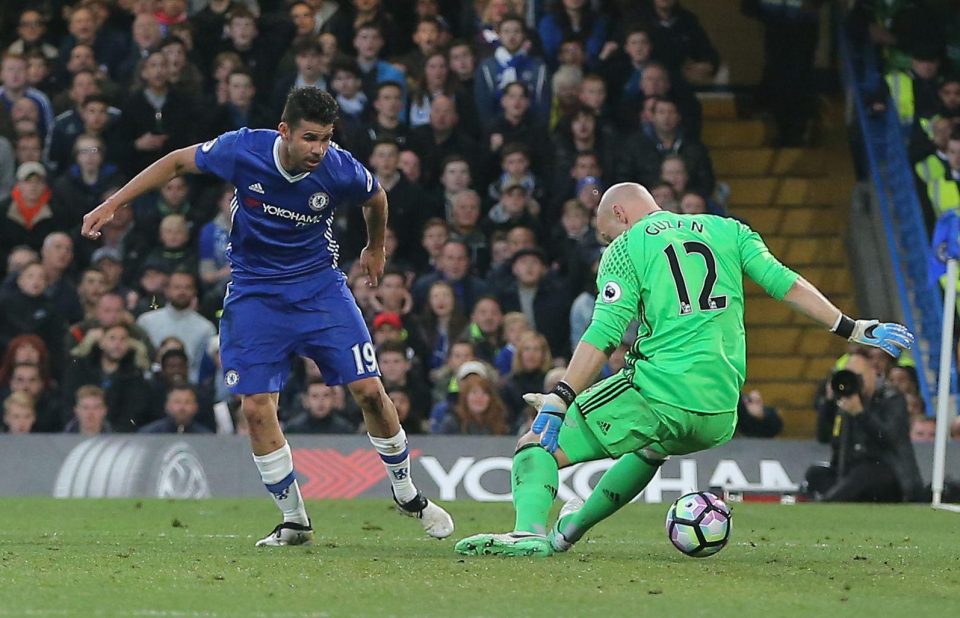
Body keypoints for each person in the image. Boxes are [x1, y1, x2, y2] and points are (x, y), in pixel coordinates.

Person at [455, 182, 914, 557]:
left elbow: (604, 334)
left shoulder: (627, 247)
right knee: (651, 449)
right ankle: (567, 531)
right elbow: (784, 282)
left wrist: (561, 396)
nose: (607, 247)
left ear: (620, 215)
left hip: (659, 391)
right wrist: (852, 327)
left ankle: (528, 533)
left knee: (534, 446)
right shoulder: (729, 230)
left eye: (606, 236)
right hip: (719, 413)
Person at [81, 86, 453, 546]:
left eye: (326, 138)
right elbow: (177, 160)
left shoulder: (338, 167)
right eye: (311, 138)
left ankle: (406, 491)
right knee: (256, 408)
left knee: (370, 392)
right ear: (284, 132)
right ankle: (294, 519)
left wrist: (375, 247)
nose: (319, 149)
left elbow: (375, 198)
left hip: (320, 288)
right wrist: (113, 202)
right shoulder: (244, 148)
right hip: (255, 294)